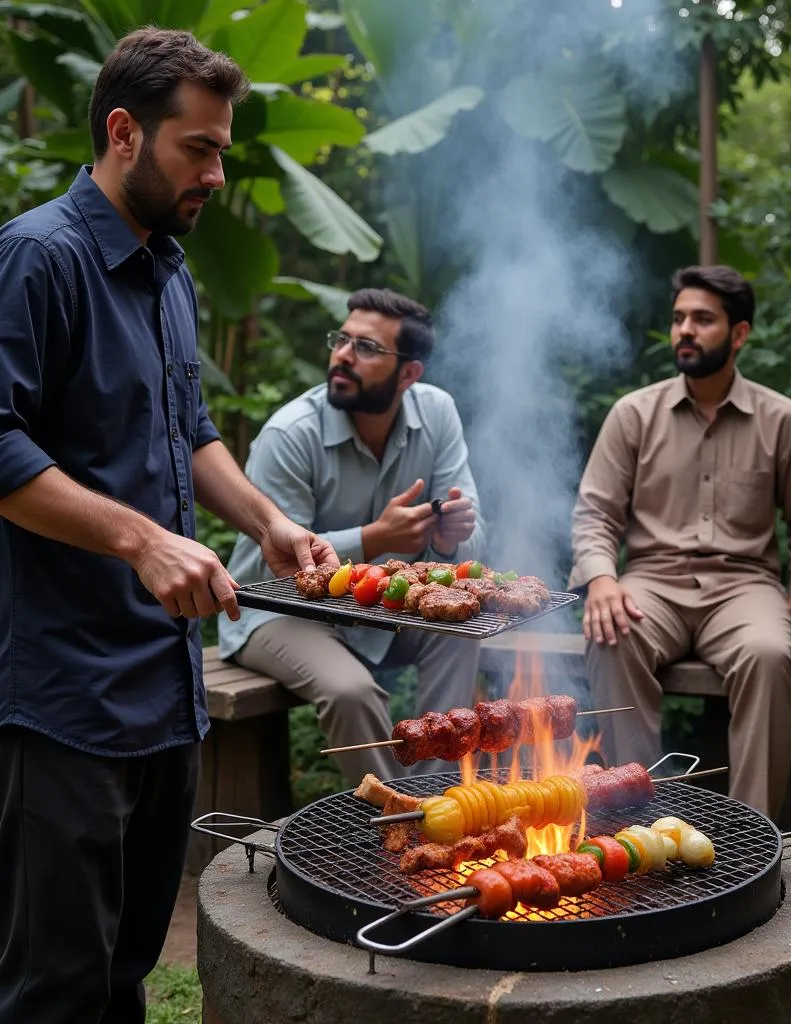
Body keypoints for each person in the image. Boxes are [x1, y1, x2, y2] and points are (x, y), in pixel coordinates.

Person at [0, 28, 339, 1024]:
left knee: (125, 970)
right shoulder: (36, 260)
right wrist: (140, 539)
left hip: (163, 689)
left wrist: (270, 521)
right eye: (200, 147)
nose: (219, 172)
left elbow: (187, 431)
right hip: (59, 695)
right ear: (123, 133)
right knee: (53, 987)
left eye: (223, 149)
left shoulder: (168, 272)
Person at [569, 265, 791, 820]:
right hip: (652, 582)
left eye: (703, 319)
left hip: (744, 586)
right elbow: (595, 512)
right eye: (680, 318)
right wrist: (602, 578)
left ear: (739, 334)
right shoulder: (633, 414)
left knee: (770, 654)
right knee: (611, 633)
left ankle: (754, 838)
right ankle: (632, 823)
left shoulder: (783, 419)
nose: (685, 330)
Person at [219, 288, 486, 781]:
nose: (342, 355)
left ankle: (440, 794)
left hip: (373, 608)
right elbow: (267, 570)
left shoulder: (439, 413)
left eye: (366, 347)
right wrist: (372, 538)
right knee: (352, 691)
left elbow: (473, 539)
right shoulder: (291, 434)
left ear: (409, 373)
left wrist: (449, 541)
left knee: (460, 630)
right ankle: (394, 820)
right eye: (341, 339)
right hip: (276, 615)